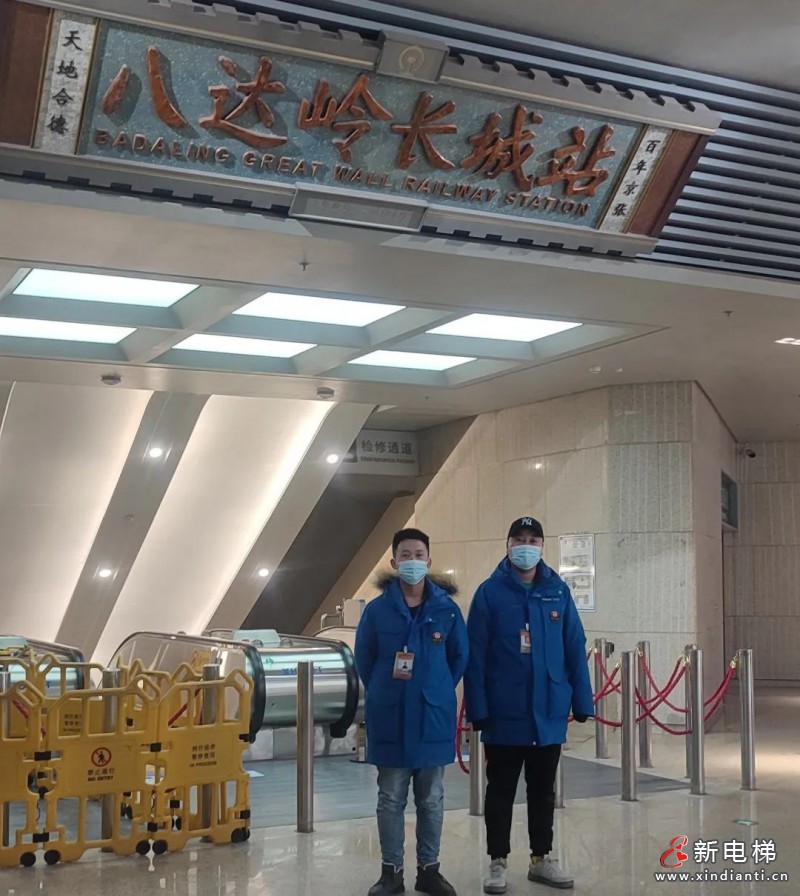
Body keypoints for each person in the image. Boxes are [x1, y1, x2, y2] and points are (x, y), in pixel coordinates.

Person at [464, 517, 593, 893]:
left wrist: (582, 700)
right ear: (507, 545)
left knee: (543, 791)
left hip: (548, 712)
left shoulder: (557, 591)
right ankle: (497, 861)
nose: (526, 546)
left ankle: (541, 858)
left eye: (533, 540)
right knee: (500, 791)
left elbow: (574, 646)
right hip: (504, 712)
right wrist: (477, 708)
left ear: (542, 546)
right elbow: (475, 655)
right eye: (518, 539)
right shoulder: (490, 593)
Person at [355, 528, 469, 896]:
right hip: (390, 715)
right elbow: (365, 658)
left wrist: (435, 688)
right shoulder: (377, 611)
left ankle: (429, 870)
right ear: (394, 562)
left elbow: (459, 657)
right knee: (390, 797)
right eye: (405, 555)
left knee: (431, 798)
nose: (413, 561)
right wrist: (385, 691)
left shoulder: (446, 610)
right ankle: (391, 872)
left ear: (429, 560)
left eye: (419, 555)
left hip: (432, 716)